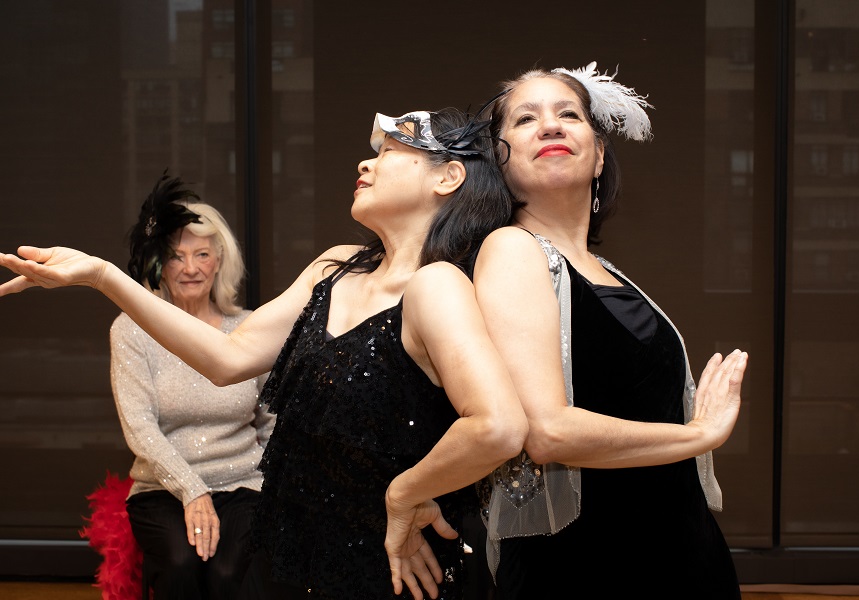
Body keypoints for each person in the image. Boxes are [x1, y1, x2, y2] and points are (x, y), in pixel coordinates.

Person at [0, 106, 529, 600]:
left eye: (392, 150)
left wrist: (403, 494)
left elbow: (497, 426)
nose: (367, 160)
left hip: (386, 563)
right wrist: (101, 275)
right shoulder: (337, 267)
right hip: (295, 546)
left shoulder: (436, 284)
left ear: (447, 177)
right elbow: (227, 358)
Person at [470, 62, 750, 598]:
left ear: (598, 154)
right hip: (587, 565)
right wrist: (700, 435)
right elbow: (547, 431)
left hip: (679, 550)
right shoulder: (511, 250)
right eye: (526, 119)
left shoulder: (611, 273)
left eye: (568, 114)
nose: (550, 126)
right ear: (498, 161)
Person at [107, 173, 275, 600]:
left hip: (244, 485)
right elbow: (139, 427)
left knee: (227, 574)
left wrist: (280, 486)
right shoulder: (132, 330)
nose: (190, 267)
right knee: (182, 565)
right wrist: (192, 489)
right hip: (162, 489)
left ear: (219, 260)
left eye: (202, 253)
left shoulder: (250, 328)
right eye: (176, 256)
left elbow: (272, 419)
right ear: (158, 263)